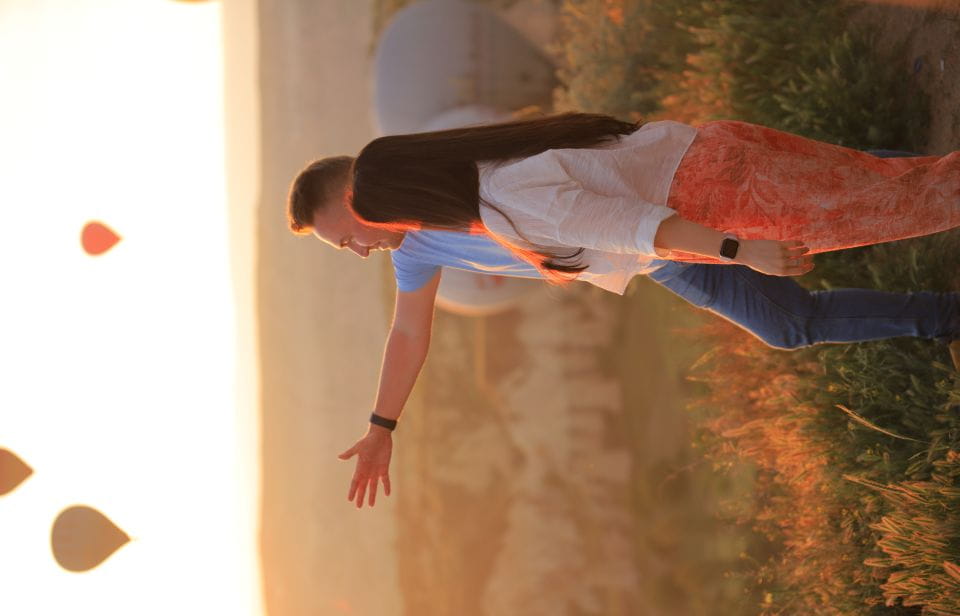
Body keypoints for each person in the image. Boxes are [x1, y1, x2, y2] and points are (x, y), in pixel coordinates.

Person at [285, 113, 960, 508]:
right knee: (797, 305)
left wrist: (735, 247)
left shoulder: (482, 191)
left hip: (674, 213)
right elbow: (407, 333)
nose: (353, 247)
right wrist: (382, 426)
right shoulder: (428, 235)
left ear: (358, 197)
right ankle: (942, 304)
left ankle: (916, 190)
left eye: (343, 234)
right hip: (659, 240)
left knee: (860, 197)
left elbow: (623, 217)